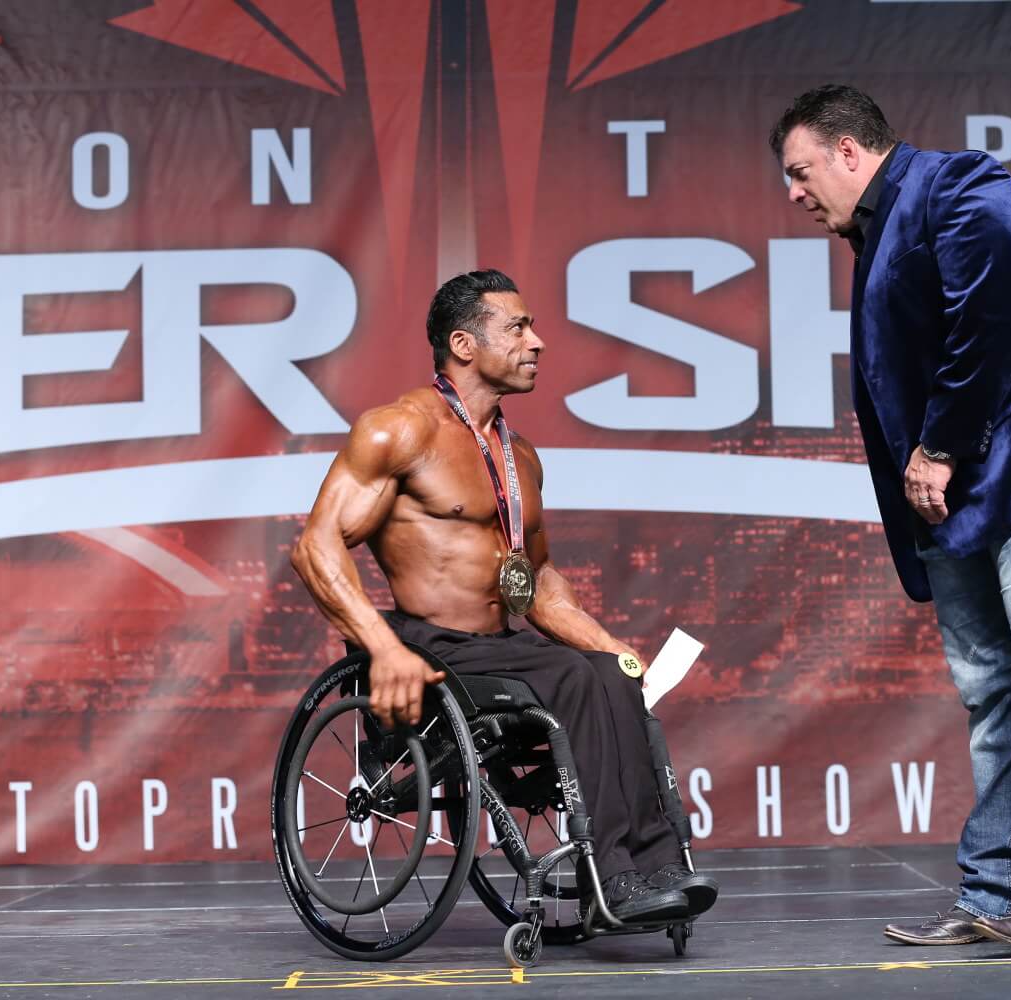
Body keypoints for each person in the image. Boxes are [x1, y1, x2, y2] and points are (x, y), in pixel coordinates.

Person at [770, 85, 1011, 946]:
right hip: (954, 501)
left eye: (800, 170)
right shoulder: (878, 232)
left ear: (849, 151)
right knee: (995, 696)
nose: (793, 192)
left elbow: (992, 319)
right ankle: (995, 893)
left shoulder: (963, 184)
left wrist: (939, 446)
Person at [289, 268, 717, 925]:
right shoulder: (399, 430)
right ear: (464, 345)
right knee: (577, 678)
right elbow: (314, 548)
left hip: (501, 647)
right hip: (427, 646)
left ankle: (655, 867)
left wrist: (615, 648)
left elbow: (536, 581)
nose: (537, 342)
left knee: (610, 675)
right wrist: (383, 650)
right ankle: (616, 879)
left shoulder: (521, 459)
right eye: (517, 328)